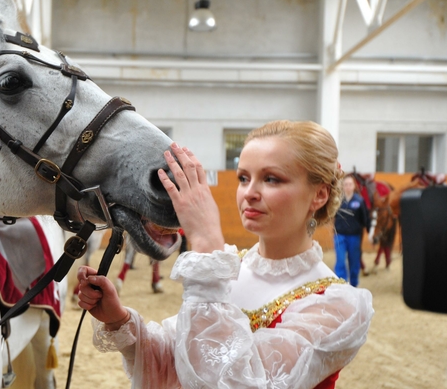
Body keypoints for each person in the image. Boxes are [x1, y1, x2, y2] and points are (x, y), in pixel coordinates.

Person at [77, 120, 374, 388]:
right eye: (244, 178)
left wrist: (206, 242)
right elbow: (176, 360)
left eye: (271, 179)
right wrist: (120, 320)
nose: (249, 193)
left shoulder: (339, 306)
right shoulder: (228, 267)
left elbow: (239, 382)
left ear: (319, 195)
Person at [334, 175, 370, 287]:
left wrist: (370, 233)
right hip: (339, 236)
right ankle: (342, 286)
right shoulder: (337, 201)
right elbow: (332, 216)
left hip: (354, 237)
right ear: (342, 186)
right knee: (340, 261)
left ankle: (353, 285)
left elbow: (365, 219)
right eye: (345, 184)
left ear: (354, 186)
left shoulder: (359, 201)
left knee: (354, 263)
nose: (348, 187)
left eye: (350, 184)